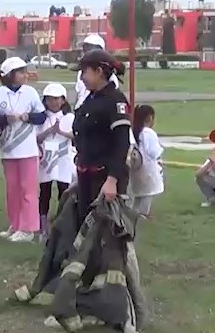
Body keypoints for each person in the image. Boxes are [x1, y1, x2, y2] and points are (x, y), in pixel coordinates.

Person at [71, 49, 130, 225]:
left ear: (98, 72)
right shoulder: (90, 99)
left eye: (84, 72)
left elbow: (122, 143)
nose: (81, 77)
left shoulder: (115, 100)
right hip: (86, 174)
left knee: (105, 233)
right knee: (85, 226)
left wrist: (112, 180)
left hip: (104, 177)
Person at [0, 57, 47, 243]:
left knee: (28, 189)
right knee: (12, 189)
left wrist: (27, 116)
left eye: (25, 72)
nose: (25, 75)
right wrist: (6, 119)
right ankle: (15, 224)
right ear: (10, 75)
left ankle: (28, 227)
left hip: (27, 149)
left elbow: (41, 116)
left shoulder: (30, 93)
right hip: (8, 149)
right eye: (20, 72)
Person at [36, 83, 76, 238]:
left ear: (63, 100)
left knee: (63, 190)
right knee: (44, 191)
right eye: (50, 99)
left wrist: (61, 132)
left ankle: (63, 224)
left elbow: (75, 135)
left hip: (63, 157)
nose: (53, 102)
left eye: (57, 99)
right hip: (46, 157)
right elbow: (37, 138)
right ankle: (43, 227)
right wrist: (50, 131)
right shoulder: (42, 118)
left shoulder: (69, 117)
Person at [129, 104, 164, 217]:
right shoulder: (149, 133)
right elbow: (154, 152)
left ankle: (133, 214)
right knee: (147, 194)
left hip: (136, 168)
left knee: (139, 195)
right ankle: (143, 215)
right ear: (149, 118)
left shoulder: (133, 131)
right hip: (148, 168)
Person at [74, 34, 120, 109]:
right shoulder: (81, 73)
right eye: (84, 49)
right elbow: (79, 93)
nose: (85, 52)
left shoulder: (110, 76)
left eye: (88, 48)